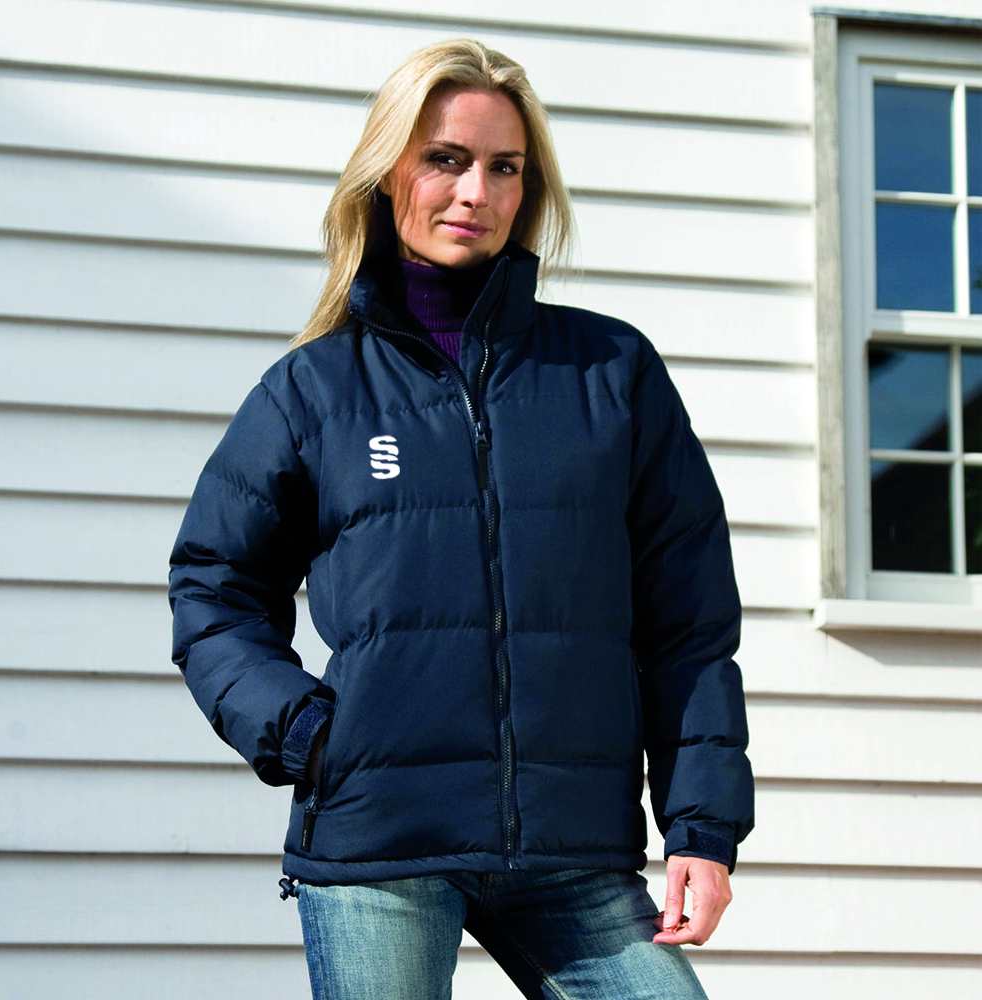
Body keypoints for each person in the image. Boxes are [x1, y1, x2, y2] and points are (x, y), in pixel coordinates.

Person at [169, 38, 753, 1000]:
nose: (474, 191)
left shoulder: (611, 374)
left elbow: (686, 623)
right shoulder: (314, 391)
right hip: (379, 842)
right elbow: (213, 589)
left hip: (571, 847)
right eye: (445, 159)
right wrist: (309, 734)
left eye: (503, 167)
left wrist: (702, 826)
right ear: (388, 171)